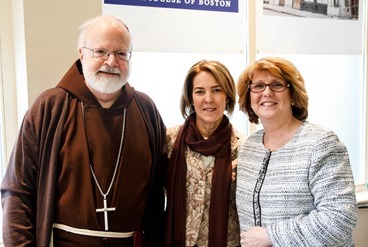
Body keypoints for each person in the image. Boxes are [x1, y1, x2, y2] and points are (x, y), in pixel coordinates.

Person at [1, 15, 167, 247]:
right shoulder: (50, 107)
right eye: (100, 52)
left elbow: (158, 196)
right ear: (82, 53)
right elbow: (18, 192)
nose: (111, 62)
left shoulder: (146, 110)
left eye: (121, 54)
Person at [236, 57, 358, 247]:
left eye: (277, 85)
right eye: (258, 86)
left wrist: (272, 236)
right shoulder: (248, 147)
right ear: (249, 96)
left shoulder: (321, 143)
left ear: (293, 95)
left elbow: (340, 218)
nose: (267, 92)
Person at [164, 60, 245, 247]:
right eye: (200, 91)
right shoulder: (169, 141)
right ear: (191, 98)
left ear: (228, 96)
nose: (209, 99)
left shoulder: (244, 147)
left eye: (217, 90)